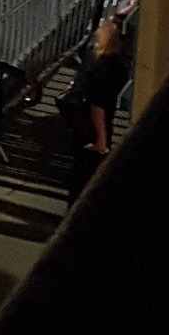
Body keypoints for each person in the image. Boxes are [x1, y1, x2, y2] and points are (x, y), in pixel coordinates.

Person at [59, 16, 129, 203]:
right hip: (94, 125)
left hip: (78, 119)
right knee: (89, 170)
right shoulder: (111, 68)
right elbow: (98, 107)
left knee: (78, 166)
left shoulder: (91, 58)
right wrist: (102, 139)